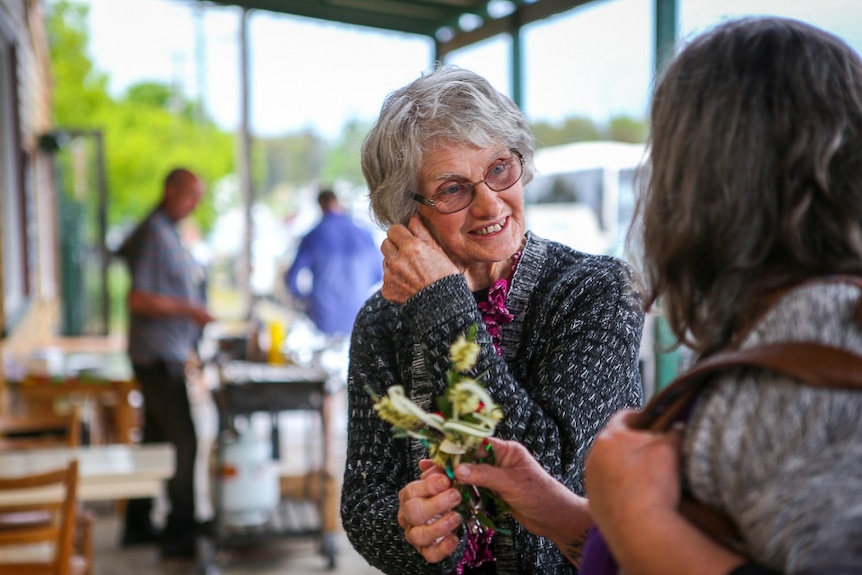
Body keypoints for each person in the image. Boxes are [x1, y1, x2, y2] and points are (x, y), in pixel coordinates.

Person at [448, 16, 862, 575]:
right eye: (451, 188)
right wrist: (562, 513)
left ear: (702, 182)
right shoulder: (783, 329)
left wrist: (643, 519)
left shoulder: (810, 353)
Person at [340, 65, 645, 575]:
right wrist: (411, 526)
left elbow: (549, 470)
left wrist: (441, 303)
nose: (490, 203)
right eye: (453, 189)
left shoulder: (599, 290)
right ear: (407, 212)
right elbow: (363, 500)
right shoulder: (381, 320)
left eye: (500, 168)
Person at [118, 167, 215, 560]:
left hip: (166, 352)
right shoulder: (154, 233)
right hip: (156, 356)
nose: (194, 205)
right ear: (170, 190)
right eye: (190, 196)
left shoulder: (168, 230)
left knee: (157, 441)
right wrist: (189, 309)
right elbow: (137, 298)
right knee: (184, 442)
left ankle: (138, 524)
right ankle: (180, 530)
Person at [285, 189, 383, 338]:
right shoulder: (364, 234)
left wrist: (307, 302)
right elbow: (379, 275)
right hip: (359, 318)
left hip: (325, 320)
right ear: (338, 203)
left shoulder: (314, 235)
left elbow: (292, 280)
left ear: (321, 205)